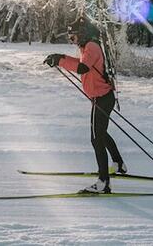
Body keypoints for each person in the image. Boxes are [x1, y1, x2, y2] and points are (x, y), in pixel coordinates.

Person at [43, 17, 125, 194]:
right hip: (101, 97)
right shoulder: (87, 46)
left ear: (82, 34)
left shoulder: (92, 47)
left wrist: (60, 60)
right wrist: (60, 57)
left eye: (73, 37)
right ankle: (118, 163)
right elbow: (81, 63)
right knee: (100, 133)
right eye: (70, 37)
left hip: (102, 97)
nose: (72, 40)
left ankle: (104, 182)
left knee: (96, 138)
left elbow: (82, 68)